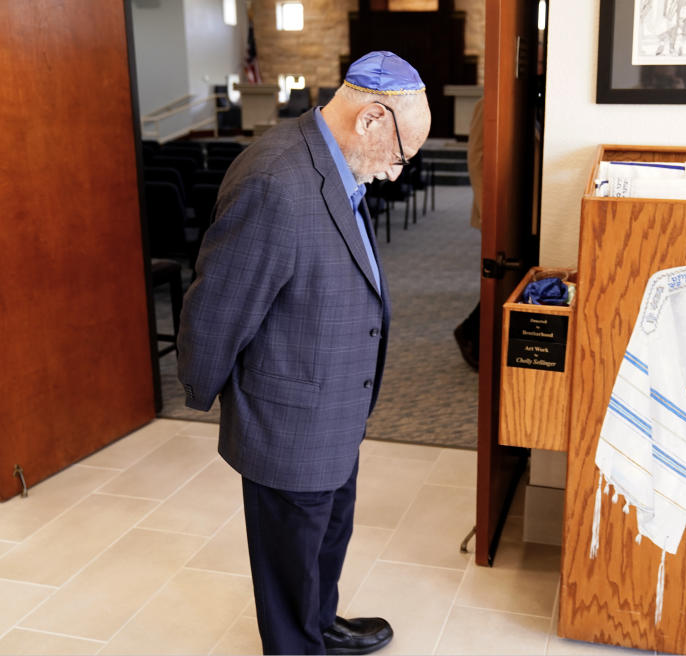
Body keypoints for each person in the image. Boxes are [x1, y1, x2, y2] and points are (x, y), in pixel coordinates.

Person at [176, 51, 431, 654]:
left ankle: (320, 622)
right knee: (288, 562)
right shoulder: (274, 179)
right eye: (400, 157)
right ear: (372, 118)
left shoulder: (337, 162)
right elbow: (218, 306)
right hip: (287, 418)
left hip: (334, 405)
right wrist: (203, 389)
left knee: (326, 535)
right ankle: (297, 641)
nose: (396, 174)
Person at [453, 97, 483, 371]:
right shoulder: (487, 105)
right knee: (496, 280)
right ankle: (469, 333)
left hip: (523, 211)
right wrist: (492, 214)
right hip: (496, 212)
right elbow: (477, 159)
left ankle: (471, 333)